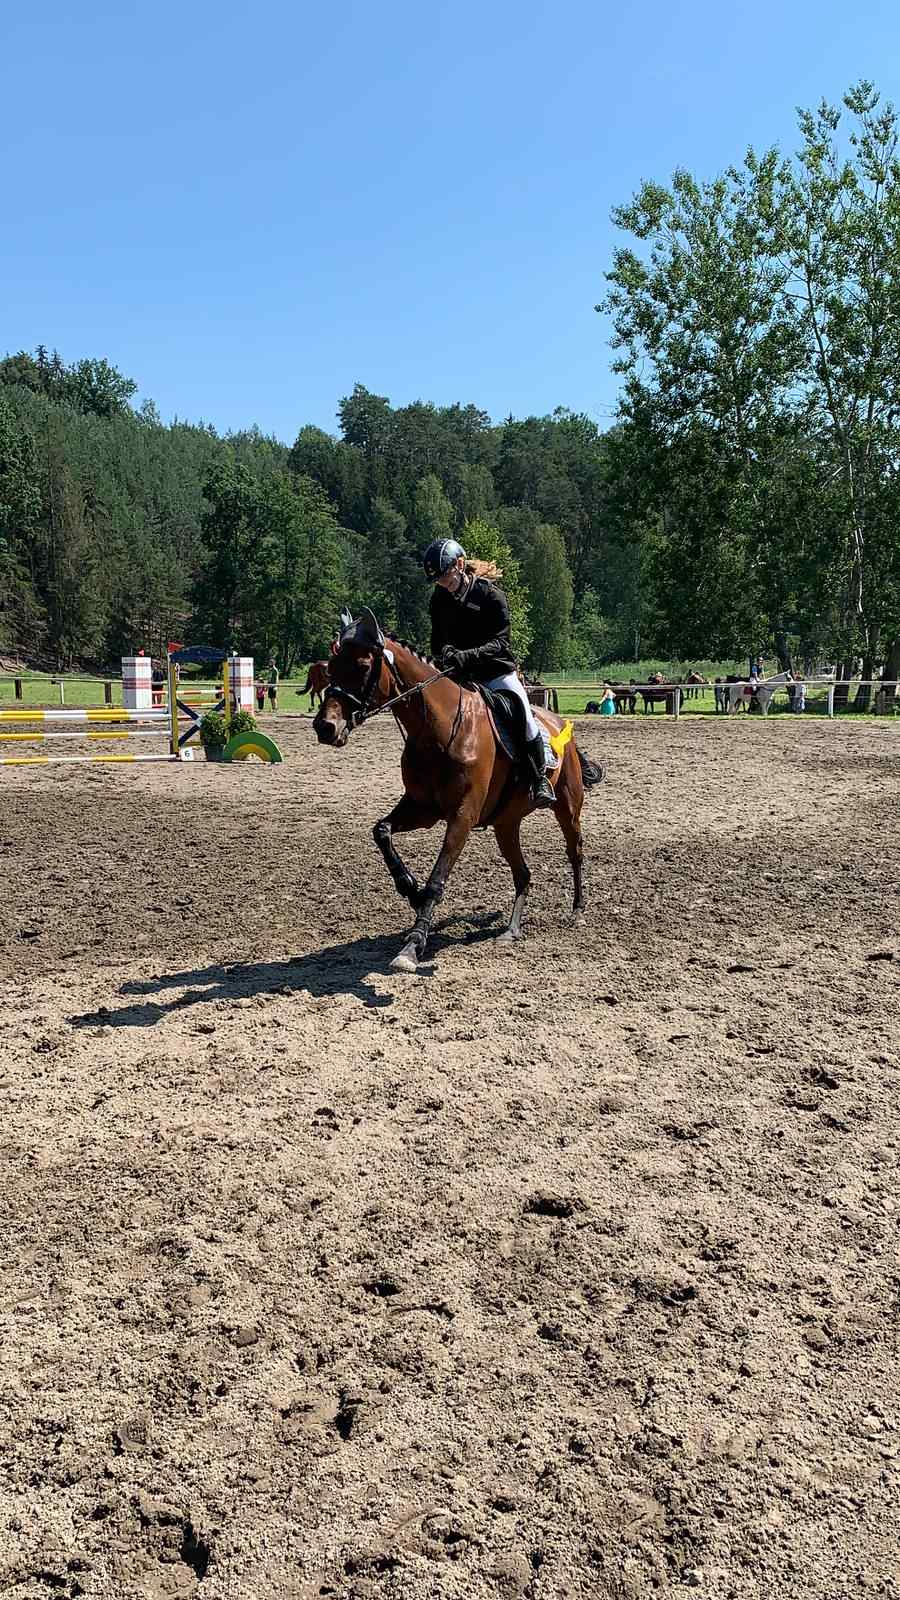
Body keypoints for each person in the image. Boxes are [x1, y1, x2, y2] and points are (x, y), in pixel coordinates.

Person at [423, 538, 555, 807]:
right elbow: (437, 640)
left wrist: (466, 655)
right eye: (437, 580)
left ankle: (540, 777)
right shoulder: (439, 598)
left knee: (524, 715)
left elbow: (500, 643)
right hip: (460, 674)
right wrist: (443, 653)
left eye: (444, 576)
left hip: (496, 672)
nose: (441, 583)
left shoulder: (490, 595)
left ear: (460, 565)